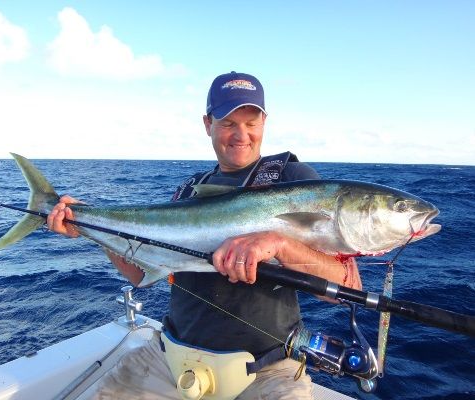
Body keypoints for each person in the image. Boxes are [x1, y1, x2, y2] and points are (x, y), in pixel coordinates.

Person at [48, 71, 362, 400]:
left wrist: (280, 244)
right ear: (207, 123)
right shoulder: (188, 191)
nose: (241, 134)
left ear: (264, 123)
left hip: (264, 372)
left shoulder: (294, 180)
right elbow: (141, 273)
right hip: (171, 359)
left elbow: (347, 287)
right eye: (228, 122)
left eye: (251, 122)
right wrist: (92, 228)